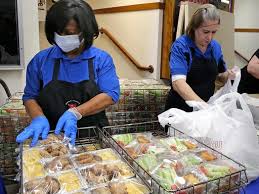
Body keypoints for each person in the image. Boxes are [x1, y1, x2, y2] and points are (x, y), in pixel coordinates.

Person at [16, 0, 120, 146]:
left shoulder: (101, 59)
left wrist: (75, 113)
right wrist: (38, 117)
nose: (64, 37)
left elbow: (110, 95)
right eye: (59, 33)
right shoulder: (41, 61)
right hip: (51, 137)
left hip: (92, 136)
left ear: (87, 32)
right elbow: (30, 97)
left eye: (70, 33)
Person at [165, 4, 235, 112]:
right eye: (206, 32)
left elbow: (220, 76)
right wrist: (203, 106)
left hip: (204, 111)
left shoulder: (215, 47)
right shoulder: (181, 46)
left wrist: (229, 76)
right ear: (194, 27)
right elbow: (178, 83)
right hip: (180, 111)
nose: (210, 37)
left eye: (214, 32)